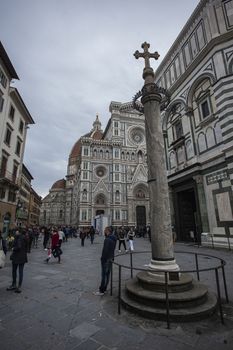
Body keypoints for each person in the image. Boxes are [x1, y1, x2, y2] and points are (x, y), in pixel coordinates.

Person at [94, 226, 117, 296]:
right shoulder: (114, 238)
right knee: (107, 274)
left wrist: (102, 259)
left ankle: (101, 290)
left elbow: (105, 251)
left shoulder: (107, 239)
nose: (104, 231)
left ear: (107, 231)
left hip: (106, 259)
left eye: (105, 230)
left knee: (104, 275)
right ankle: (105, 289)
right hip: (111, 258)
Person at [7, 229, 28, 293]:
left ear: (18, 232)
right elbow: (26, 247)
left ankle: (14, 284)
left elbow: (18, 246)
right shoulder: (25, 237)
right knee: (20, 271)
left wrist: (13, 248)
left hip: (16, 257)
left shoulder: (18, 237)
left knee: (14, 271)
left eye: (16, 231)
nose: (15, 232)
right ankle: (19, 286)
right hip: (23, 257)